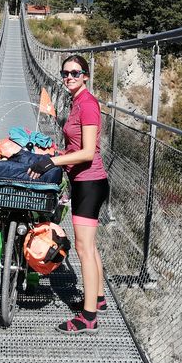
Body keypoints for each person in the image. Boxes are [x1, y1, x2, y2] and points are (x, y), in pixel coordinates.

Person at [27, 54, 109, 333]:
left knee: (84, 248)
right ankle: (97, 299)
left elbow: (87, 153)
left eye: (76, 73)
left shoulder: (88, 105)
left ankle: (88, 318)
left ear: (86, 75)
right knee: (91, 245)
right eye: (65, 73)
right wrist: (56, 154)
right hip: (85, 181)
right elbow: (75, 150)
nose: (69, 77)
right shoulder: (77, 102)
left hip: (90, 182)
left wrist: (52, 162)